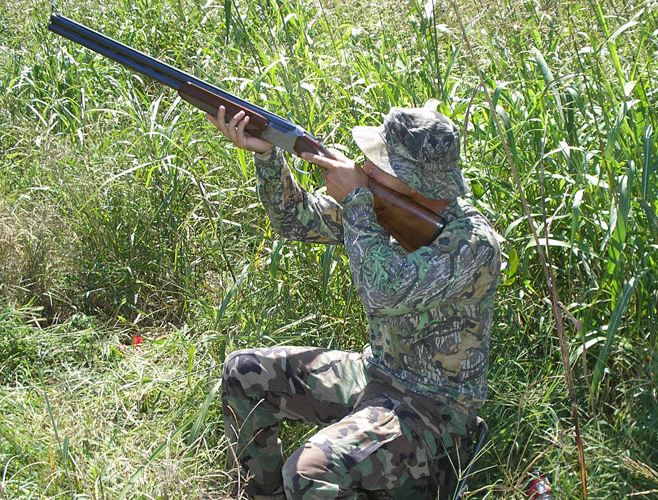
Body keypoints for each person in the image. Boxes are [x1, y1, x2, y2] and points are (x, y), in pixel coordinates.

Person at [207, 103, 501, 500]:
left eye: (378, 162)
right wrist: (266, 153)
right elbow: (295, 220)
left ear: (409, 179)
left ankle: (433, 478)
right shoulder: (385, 204)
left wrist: (359, 201)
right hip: (374, 373)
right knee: (243, 373)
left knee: (310, 472)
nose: (366, 165)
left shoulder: (471, 243)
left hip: (434, 411)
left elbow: (385, 293)